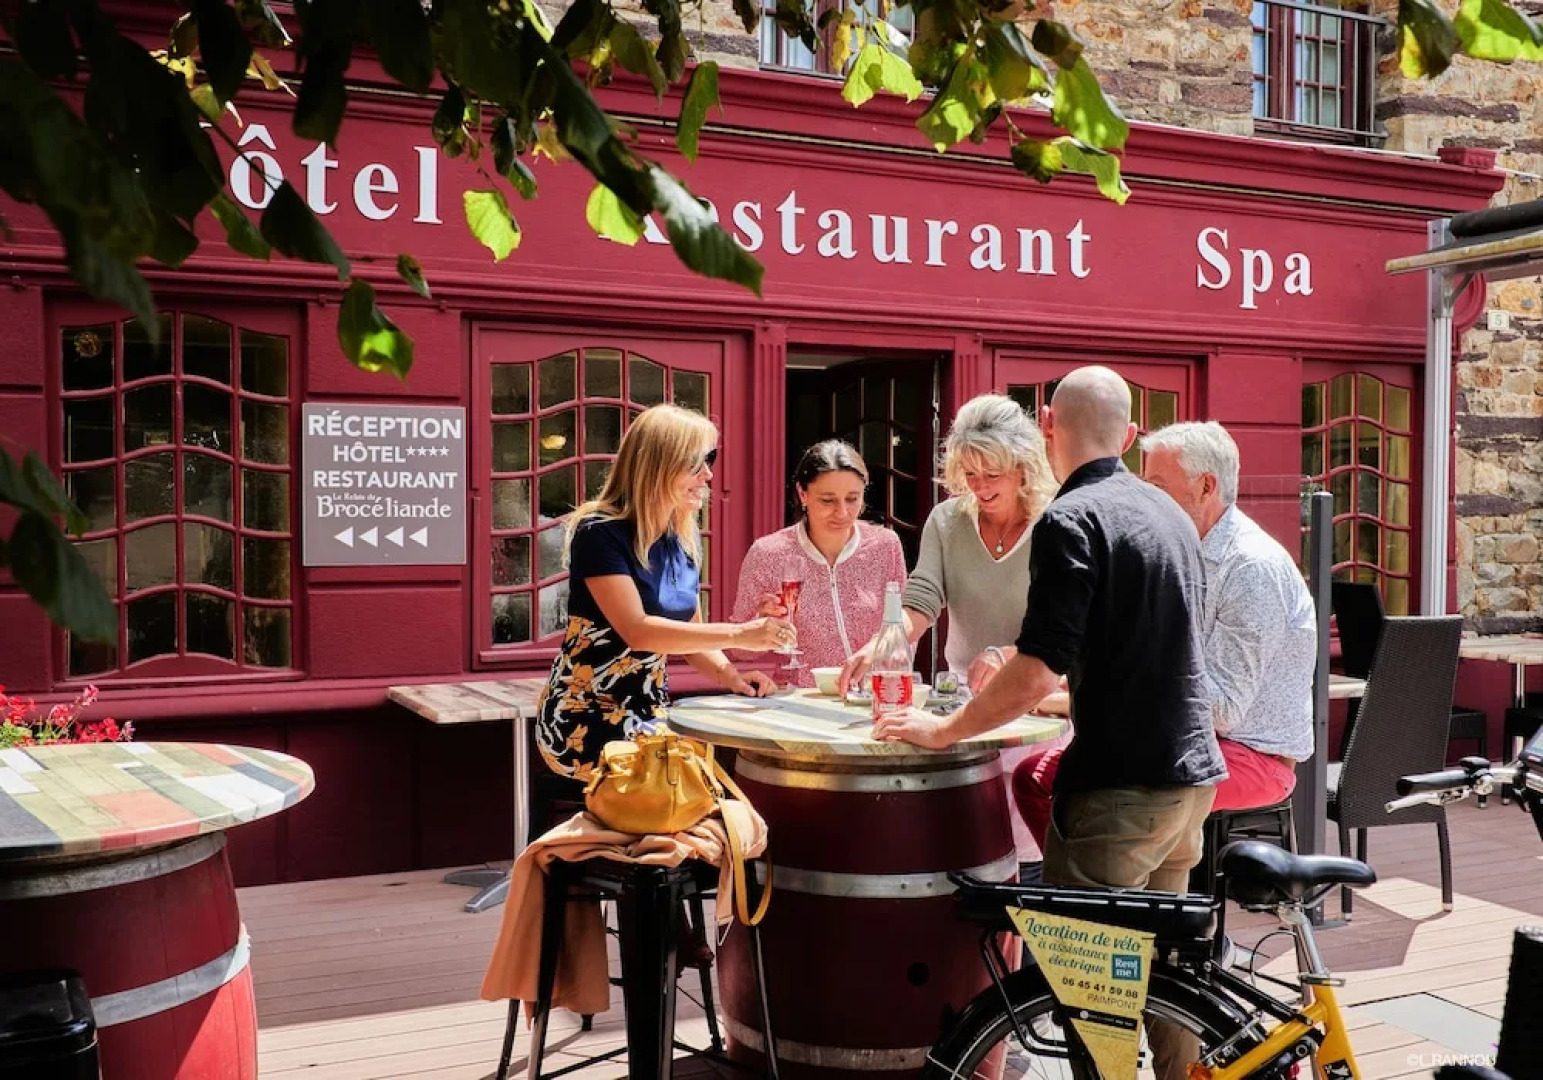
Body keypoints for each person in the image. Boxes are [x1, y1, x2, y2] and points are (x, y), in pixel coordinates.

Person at [871, 366, 1225, 1080]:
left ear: (1048, 426)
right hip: (1191, 781)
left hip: (1119, 790)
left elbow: (1036, 670)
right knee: (1165, 983)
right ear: (1126, 435)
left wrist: (943, 731)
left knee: (1094, 997)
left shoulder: (1070, 516)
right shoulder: (1166, 511)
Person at [1012, 421, 1316, 847]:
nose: (1146, 498)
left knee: (1104, 786)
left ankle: (1109, 892)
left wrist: (1116, 688)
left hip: (1253, 756)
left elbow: (1225, 709)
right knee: (1036, 776)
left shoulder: (1250, 567)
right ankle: (1080, 889)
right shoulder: (1183, 546)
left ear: (1207, 486)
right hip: (1182, 741)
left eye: (1157, 484)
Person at [534, 404, 790, 782]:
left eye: (711, 459)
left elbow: (691, 637)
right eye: (697, 463)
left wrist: (730, 675)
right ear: (659, 465)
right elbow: (638, 631)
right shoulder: (599, 532)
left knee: (701, 793)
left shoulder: (682, 544)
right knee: (688, 794)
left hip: (648, 713)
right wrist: (741, 634)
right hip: (585, 716)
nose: (709, 474)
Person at [837, 394, 1058, 695]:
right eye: (969, 473)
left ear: (1024, 468)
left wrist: (1004, 657)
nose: (979, 486)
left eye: (992, 474)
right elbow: (921, 600)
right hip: (965, 692)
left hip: (1041, 695)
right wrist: (879, 647)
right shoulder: (947, 520)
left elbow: (1064, 627)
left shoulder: (1056, 525)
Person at [730, 440, 907, 686]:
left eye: (852, 499)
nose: (842, 512)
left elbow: (904, 627)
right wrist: (759, 625)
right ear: (803, 493)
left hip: (873, 697)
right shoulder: (768, 553)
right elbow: (739, 651)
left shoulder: (885, 546)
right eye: (828, 500)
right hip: (799, 702)